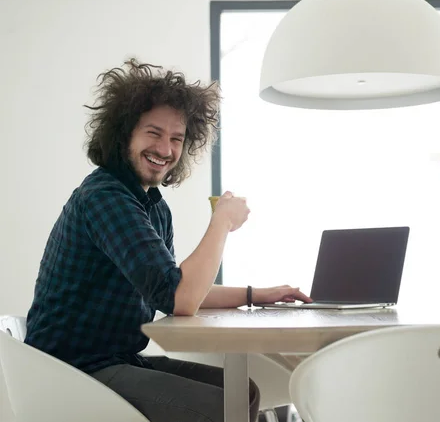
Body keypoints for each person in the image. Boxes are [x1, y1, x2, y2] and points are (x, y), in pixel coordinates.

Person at [24, 59, 311, 422]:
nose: (166, 148)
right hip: (70, 372)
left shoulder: (152, 206)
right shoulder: (105, 197)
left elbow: (175, 288)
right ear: (124, 133)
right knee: (220, 407)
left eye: (177, 138)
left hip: (114, 360)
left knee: (241, 393)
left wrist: (258, 294)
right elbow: (180, 299)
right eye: (153, 133)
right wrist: (221, 221)